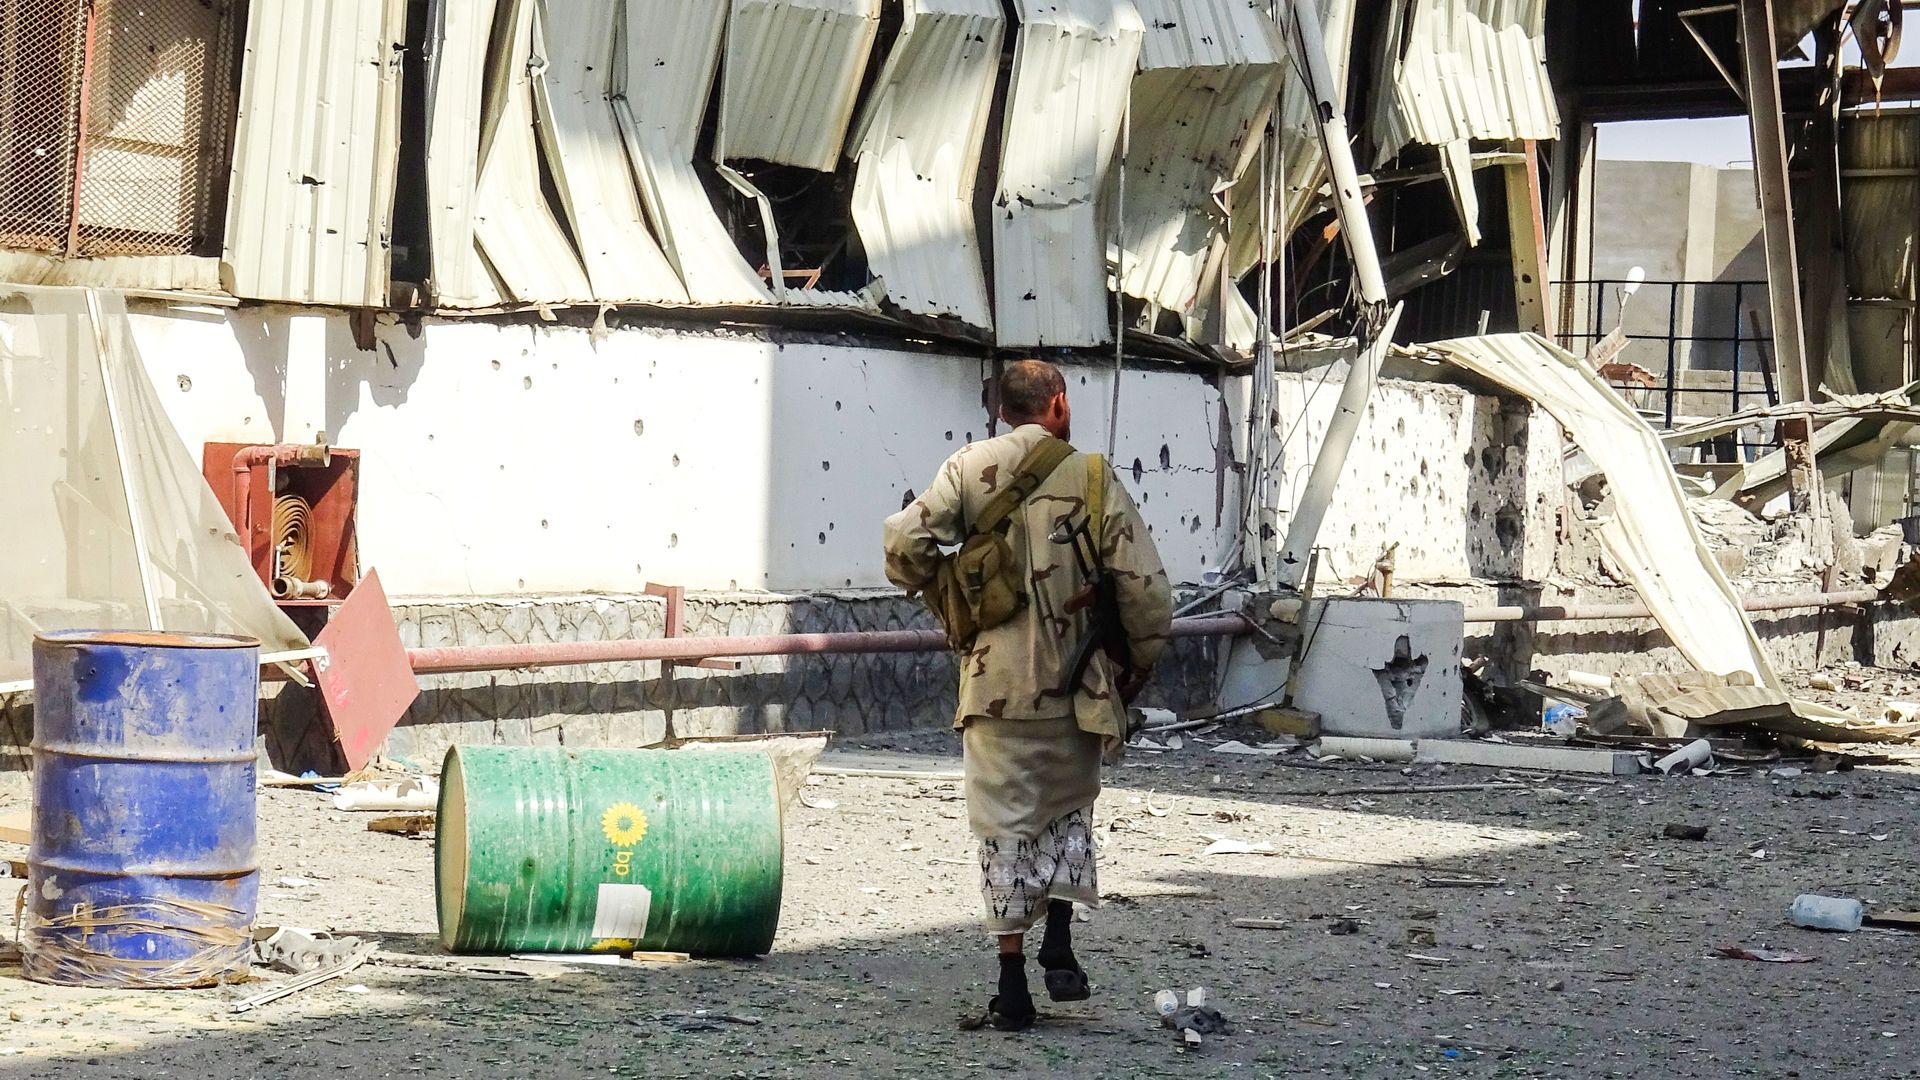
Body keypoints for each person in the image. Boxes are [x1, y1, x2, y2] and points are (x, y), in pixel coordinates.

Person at [882, 359, 1173, 1031]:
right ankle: (1060, 935)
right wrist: (1138, 666)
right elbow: (1147, 592)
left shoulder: (967, 468)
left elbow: (902, 543)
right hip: (1078, 687)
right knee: (1068, 811)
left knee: (1003, 830)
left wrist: (946, 591)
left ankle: (1012, 985)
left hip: (994, 687)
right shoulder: (1094, 478)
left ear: (1003, 411)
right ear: (1059, 407)